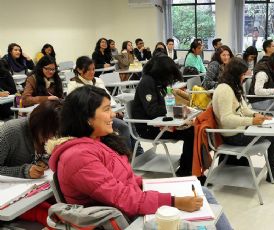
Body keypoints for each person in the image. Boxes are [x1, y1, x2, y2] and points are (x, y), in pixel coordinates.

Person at [48, 85, 233, 229]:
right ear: (87, 118)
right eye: (106, 110)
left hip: (129, 205)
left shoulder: (98, 141)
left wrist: (158, 186)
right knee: (200, 220)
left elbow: (124, 180)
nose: (113, 114)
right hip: (122, 219)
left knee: (203, 192)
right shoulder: (78, 157)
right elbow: (122, 198)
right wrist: (174, 201)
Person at [212, 57, 274, 182]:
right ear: (235, 74)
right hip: (233, 135)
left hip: (240, 129)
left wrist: (255, 115)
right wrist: (251, 121)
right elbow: (226, 119)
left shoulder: (232, 86)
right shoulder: (224, 89)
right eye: (243, 74)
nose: (244, 77)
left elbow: (243, 109)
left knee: (272, 127)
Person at [132, 55, 195, 177]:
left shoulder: (158, 82)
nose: (171, 78)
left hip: (159, 123)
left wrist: (179, 109)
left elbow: (165, 105)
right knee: (190, 133)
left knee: (195, 129)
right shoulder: (147, 82)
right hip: (148, 127)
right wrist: (175, 109)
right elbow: (153, 110)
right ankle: (185, 170)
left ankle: (190, 166)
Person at [67, 56, 142, 156]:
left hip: (106, 113)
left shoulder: (98, 81)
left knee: (129, 122)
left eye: (93, 69)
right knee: (123, 126)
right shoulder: (73, 85)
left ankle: (138, 153)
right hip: (91, 120)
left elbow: (109, 98)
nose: (92, 72)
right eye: (88, 69)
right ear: (79, 70)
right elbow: (78, 108)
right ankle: (126, 157)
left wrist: (113, 110)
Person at [0, 100, 61, 178]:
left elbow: (49, 156)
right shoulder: (11, 131)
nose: (53, 137)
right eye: (52, 132)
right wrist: (23, 171)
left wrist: (44, 162)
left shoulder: (49, 133)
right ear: (39, 125)